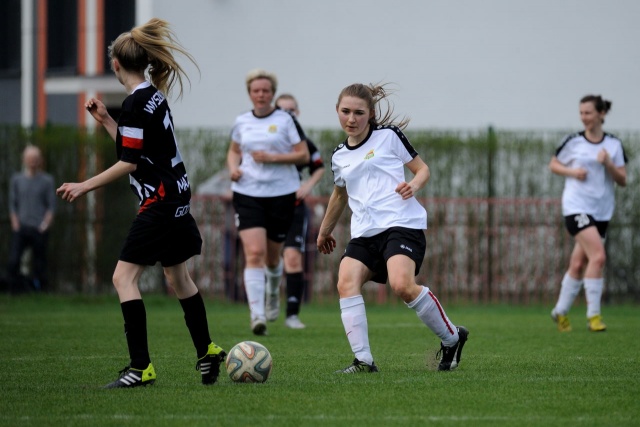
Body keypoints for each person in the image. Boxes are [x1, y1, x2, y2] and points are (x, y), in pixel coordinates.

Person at [56, 18, 226, 388]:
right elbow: (138, 150)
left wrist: (85, 185)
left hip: (159, 203)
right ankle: (207, 350)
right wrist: (107, 120)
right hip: (177, 195)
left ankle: (141, 367)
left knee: (123, 278)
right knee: (178, 277)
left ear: (116, 64)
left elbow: (129, 163)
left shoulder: (135, 103)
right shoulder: (153, 95)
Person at [317, 83, 469, 373]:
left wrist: (413, 185)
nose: (351, 118)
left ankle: (452, 337)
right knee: (345, 282)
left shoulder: (388, 136)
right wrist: (324, 231)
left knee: (402, 285)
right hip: (364, 232)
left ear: (371, 114)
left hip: (401, 224)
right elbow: (339, 195)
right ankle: (363, 361)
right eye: (345, 111)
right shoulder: (338, 156)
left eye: (359, 112)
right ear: (337, 111)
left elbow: (422, 169)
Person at [227, 69, 310, 336]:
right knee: (254, 253)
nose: (261, 95)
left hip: (281, 194)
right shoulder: (241, 121)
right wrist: (233, 168)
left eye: (265, 90)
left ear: (272, 93)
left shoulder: (286, 119)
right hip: (248, 192)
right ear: (249, 93)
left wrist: (273, 158)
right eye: (256, 90)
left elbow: (303, 155)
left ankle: (273, 291)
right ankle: (257, 315)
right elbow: (234, 151)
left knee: (273, 259)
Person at [549, 95, 627, 333]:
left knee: (578, 262)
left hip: (601, 212)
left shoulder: (613, 144)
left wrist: (609, 164)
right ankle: (594, 316)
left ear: (601, 114)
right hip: (576, 207)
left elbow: (623, 179)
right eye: (581, 113)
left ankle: (560, 311)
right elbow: (554, 164)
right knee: (599, 257)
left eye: (588, 113)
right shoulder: (573, 141)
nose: (584, 117)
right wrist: (573, 172)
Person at [273, 94, 326, 329]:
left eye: (291, 110)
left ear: (298, 113)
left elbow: (319, 167)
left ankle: (292, 315)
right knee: (267, 259)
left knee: (293, 258)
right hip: (268, 209)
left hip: (294, 209)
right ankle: (266, 305)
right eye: (282, 110)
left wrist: (307, 186)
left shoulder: (303, 143)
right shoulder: (266, 141)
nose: (288, 114)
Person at [7, 145, 56, 293]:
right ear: (23, 160)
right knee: (14, 260)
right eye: (29, 158)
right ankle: (14, 289)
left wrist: (44, 225)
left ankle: (39, 290)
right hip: (21, 228)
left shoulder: (47, 181)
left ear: (40, 160)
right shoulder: (16, 180)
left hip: (39, 229)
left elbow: (51, 206)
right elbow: (12, 204)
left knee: (39, 263)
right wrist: (15, 225)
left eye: (35, 158)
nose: (32, 161)